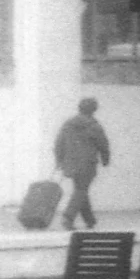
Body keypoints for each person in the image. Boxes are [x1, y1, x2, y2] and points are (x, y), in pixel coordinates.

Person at [53, 96, 112, 230]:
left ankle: (90, 220)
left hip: (70, 163)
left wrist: (59, 160)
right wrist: (105, 159)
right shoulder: (94, 126)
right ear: (94, 110)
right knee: (81, 190)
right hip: (87, 164)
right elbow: (103, 144)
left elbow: (59, 143)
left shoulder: (68, 124)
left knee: (80, 189)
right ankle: (68, 218)